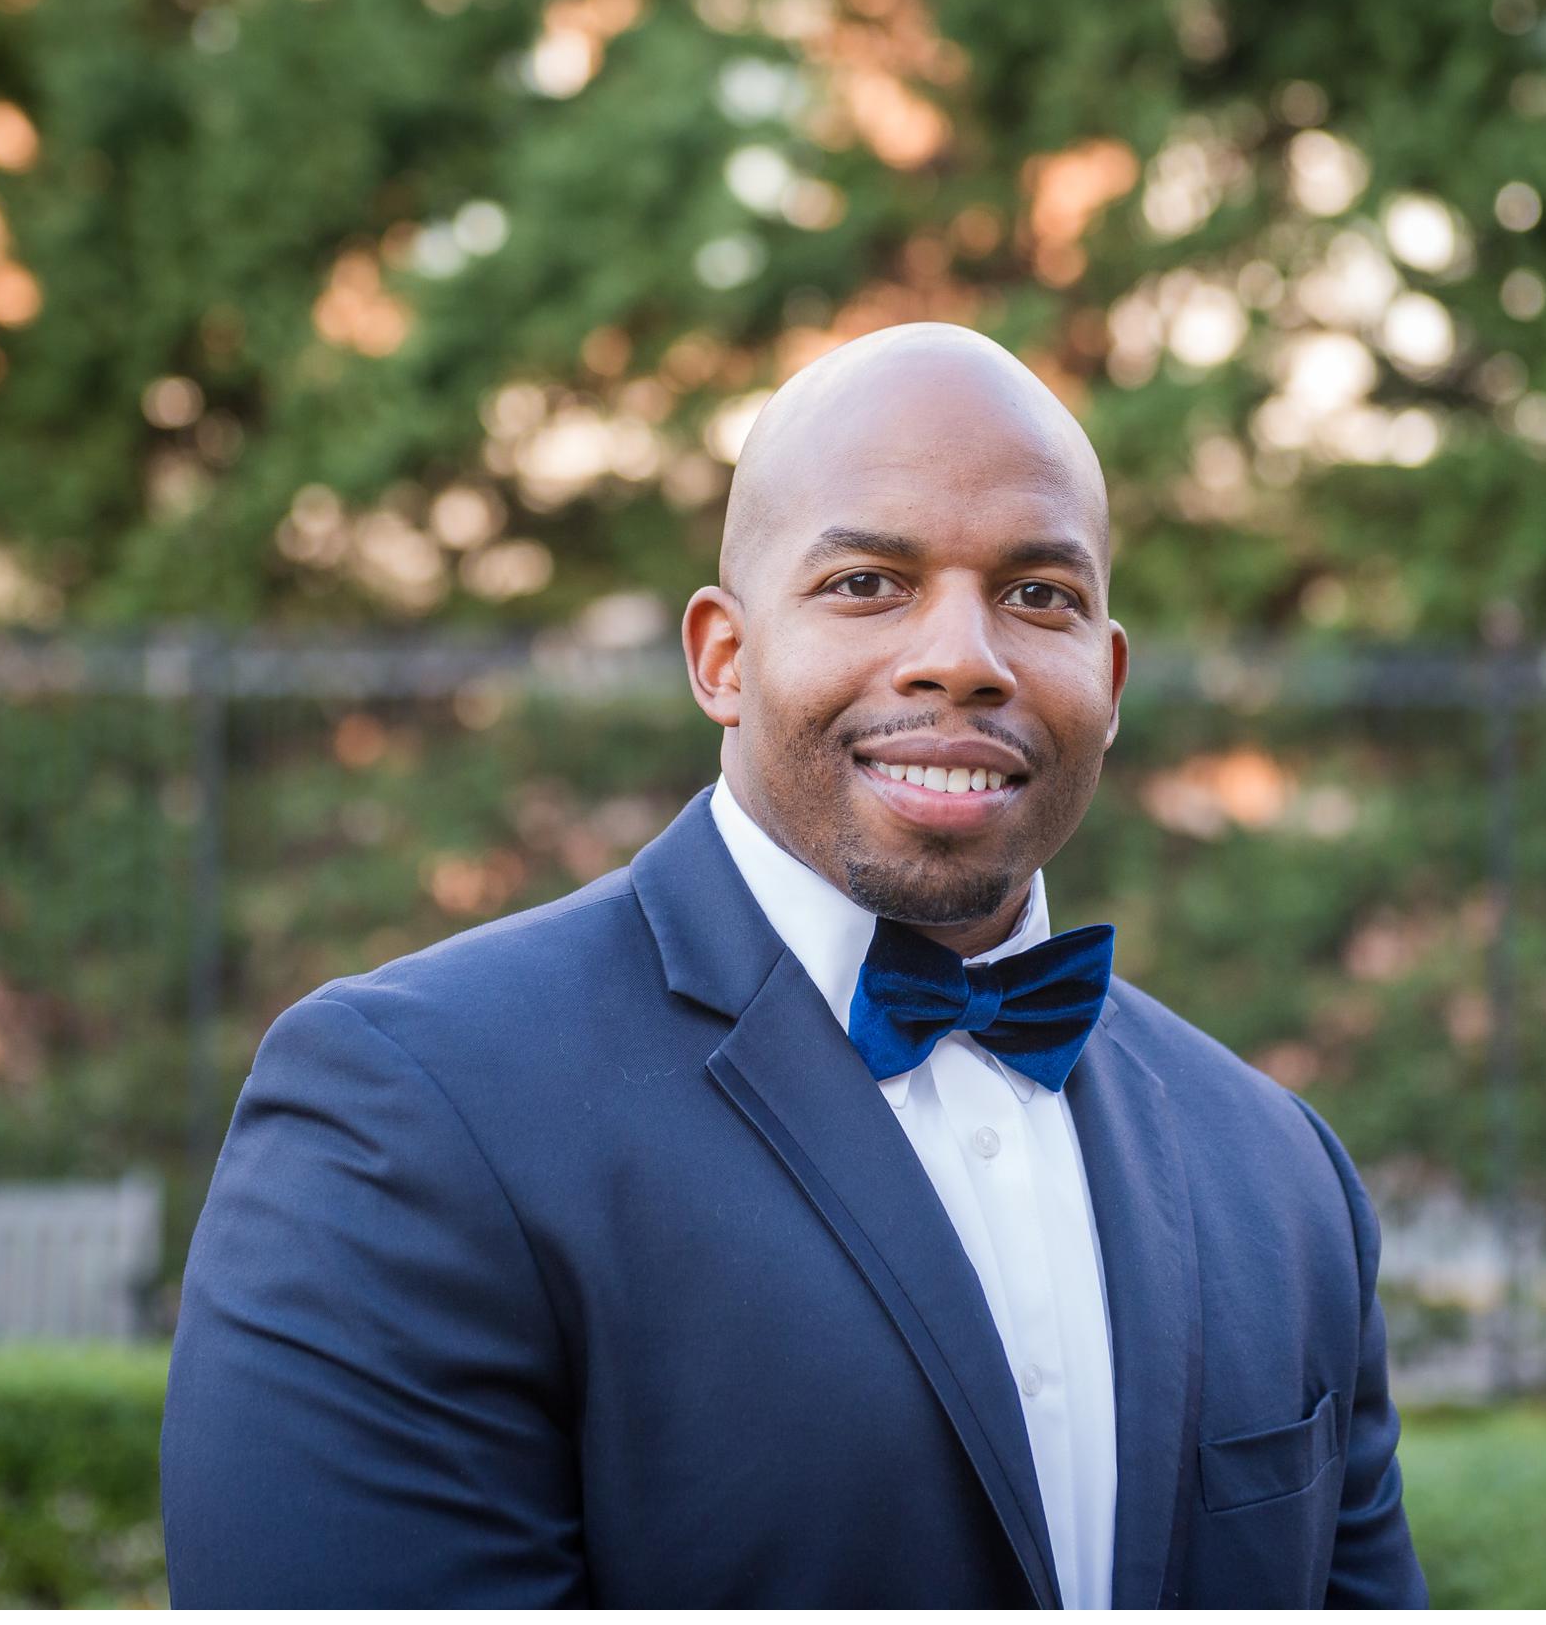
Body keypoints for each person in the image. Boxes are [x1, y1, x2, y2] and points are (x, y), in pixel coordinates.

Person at [160, 323, 1427, 1608]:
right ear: (723, 654)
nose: (963, 657)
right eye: (867, 582)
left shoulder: (1284, 1174)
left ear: (1107, 677)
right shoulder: (412, 1107)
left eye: (1038, 594)